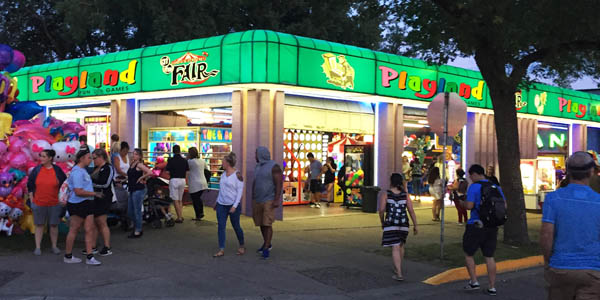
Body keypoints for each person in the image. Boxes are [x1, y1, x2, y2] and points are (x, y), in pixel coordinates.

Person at [540, 151, 600, 299]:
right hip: (592, 270)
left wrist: (548, 261)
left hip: (561, 267)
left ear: (567, 171)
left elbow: (546, 234)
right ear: (591, 172)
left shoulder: (553, 199)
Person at [459, 164, 505, 296]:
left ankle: (474, 281)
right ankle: (492, 287)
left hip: (476, 224)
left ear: (474, 174)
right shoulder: (495, 187)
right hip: (492, 226)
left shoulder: (475, 187)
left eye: (471, 176)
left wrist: (462, 202)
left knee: (469, 253)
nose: (471, 178)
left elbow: (469, 206)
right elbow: (504, 205)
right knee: (489, 256)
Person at [64, 147, 103, 265]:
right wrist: (94, 193)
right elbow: (78, 191)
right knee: (74, 229)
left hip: (87, 202)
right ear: (82, 158)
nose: (91, 160)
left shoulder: (83, 171)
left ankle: (90, 256)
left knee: (89, 229)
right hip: (78, 203)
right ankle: (68, 255)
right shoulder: (77, 172)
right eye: (89, 158)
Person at [379, 173, 418, 281]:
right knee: (401, 245)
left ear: (391, 181)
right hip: (404, 223)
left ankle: (399, 273)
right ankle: (398, 268)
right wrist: (415, 225)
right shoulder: (405, 195)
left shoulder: (386, 194)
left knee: (395, 247)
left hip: (391, 223)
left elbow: (381, 210)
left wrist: (382, 221)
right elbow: (411, 210)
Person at [27, 149, 67, 256]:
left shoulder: (57, 170)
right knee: (39, 225)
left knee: (54, 225)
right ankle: (38, 247)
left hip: (54, 203)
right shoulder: (36, 170)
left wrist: (63, 199)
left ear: (50, 158)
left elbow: (64, 185)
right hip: (39, 203)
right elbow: (30, 185)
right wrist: (32, 200)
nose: (41, 158)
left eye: (44, 156)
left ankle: (54, 246)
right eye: (41, 156)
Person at [252, 146, 283, 259]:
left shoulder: (274, 167)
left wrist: (276, 199)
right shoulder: (257, 167)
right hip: (257, 199)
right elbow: (255, 182)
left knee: (267, 223)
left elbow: (279, 183)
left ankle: (266, 247)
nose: (254, 156)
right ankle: (266, 242)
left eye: (256, 154)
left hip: (268, 199)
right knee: (261, 223)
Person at [212, 152, 245, 257]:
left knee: (236, 226)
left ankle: (242, 245)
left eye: (223, 161)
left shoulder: (237, 175)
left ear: (228, 163)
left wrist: (235, 206)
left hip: (232, 205)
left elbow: (240, 191)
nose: (222, 163)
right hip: (222, 204)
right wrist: (217, 202)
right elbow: (222, 190)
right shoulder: (223, 175)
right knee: (221, 226)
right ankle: (221, 248)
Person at [88, 149, 114, 256]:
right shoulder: (95, 168)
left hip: (104, 197)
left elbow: (105, 183)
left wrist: (90, 184)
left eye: (94, 158)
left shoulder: (108, 168)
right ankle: (93, 246)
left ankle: (107, 246)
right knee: (94, 222)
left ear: (101, 157)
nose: (93, 160)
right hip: (94, 197)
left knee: (102, 222)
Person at [127, 148, 153, 238]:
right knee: (130, 211)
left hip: (138, 189)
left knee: (136, 210)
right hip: (132, 188)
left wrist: (142, 178)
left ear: (140, 156)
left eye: (136, 154)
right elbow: (130, 176)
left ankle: (138, 229)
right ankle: (137, 227)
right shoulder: (132, 164)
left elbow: (150, 172)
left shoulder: (139, 164)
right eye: (133, 154)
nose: (134, 155)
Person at [166, 145, 188, 223]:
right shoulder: (184, 160)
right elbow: (187, 171)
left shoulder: (170, 160)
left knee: (175, 200)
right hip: (182, 180)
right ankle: (180, 215)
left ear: (173, 151)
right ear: (180, 150)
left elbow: (167, 171)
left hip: (174, 180)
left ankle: (179, 217)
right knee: (180, 199)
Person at [187, 147, 209, 221]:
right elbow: (207, 170)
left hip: (194, 183)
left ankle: (198, 214)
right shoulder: (202, 161)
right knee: (198, 198)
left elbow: (186, 167)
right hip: (203, 182)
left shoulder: (190, 162)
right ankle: (200, 213)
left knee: (195, 199)